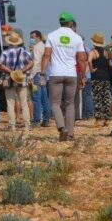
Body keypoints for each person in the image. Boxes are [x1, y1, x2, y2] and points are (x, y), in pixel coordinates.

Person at [40, 12, 87, 141]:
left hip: (56, 73)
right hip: (71, 74)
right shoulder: (77, 38)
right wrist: (83, 76)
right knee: (70, 104)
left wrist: (42, 73)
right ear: (71, 23)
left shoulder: (52, 36)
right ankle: (70, 134)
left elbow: (47, 56)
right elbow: (82, 59)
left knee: (55, 103)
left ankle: (62, 127)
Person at [0, 32, 34, 133]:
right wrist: (22, 71)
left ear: (9, 42)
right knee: (24, 103)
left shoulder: (5, 53)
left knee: (10, 103)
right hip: (22, 79)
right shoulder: (24, 52)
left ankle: (12, 125)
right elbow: (31, 62)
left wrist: (11, 72)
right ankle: (27, 125)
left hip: (8, 79)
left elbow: (0, 65)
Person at [88, 33, 112, 127]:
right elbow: (109, 63)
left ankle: (98, 120)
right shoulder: (105, 52)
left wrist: (91, 69)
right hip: (106, 77)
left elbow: (89, 61)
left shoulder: (93, 52)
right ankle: (107, 119)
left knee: (97, 97)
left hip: (97, 77)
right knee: (106, 98)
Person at [29, 30, 50, 127]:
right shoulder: (45, 46)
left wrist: (31, 76)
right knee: (45, 98)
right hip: (44, 74)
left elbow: (36, 62)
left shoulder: (37, 47)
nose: (31, 39)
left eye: (32, 37)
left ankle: (37, 120)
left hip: (37, 73)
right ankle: (46, 120)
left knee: (36, 98)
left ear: (37, 37)